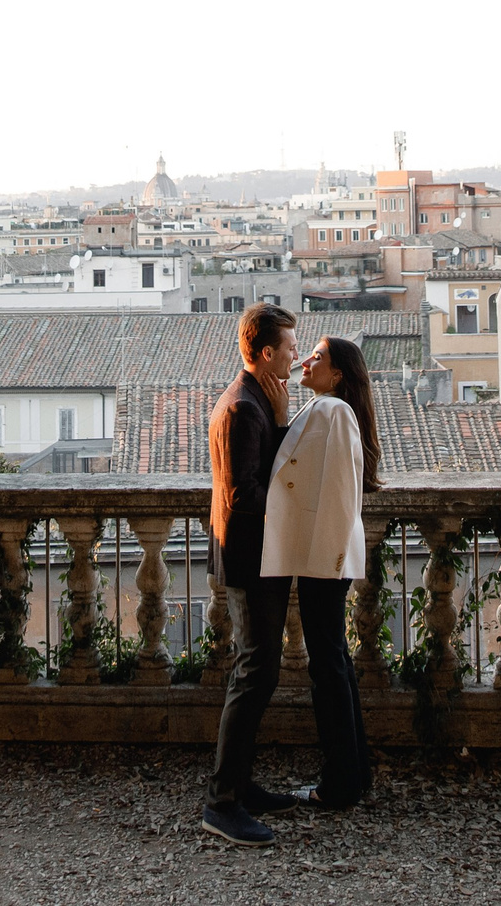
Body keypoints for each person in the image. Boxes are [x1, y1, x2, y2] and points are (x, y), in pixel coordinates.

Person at [260, 334, 383, 812]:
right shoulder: (329, 410)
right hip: (325, 557)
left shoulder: (333, 412)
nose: (306, 360)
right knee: (335, 664)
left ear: (338, 375)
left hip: (324, 558)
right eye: (307, 352)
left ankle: (339, 786)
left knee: (328, 667)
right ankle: (353, 773)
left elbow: (335, 489)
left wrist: (328, 562)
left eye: (318, 357)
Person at [202, 302, 299, 846]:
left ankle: (240, 785)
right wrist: (284, 427)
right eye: (288, 346)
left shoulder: (254, 398)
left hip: (253, 557)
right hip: (250, 559)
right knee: (254, 674)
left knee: (257, 674)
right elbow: (246, 495)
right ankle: (222, 802)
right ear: (266, 353)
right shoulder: (245, 408)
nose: (295, 353)